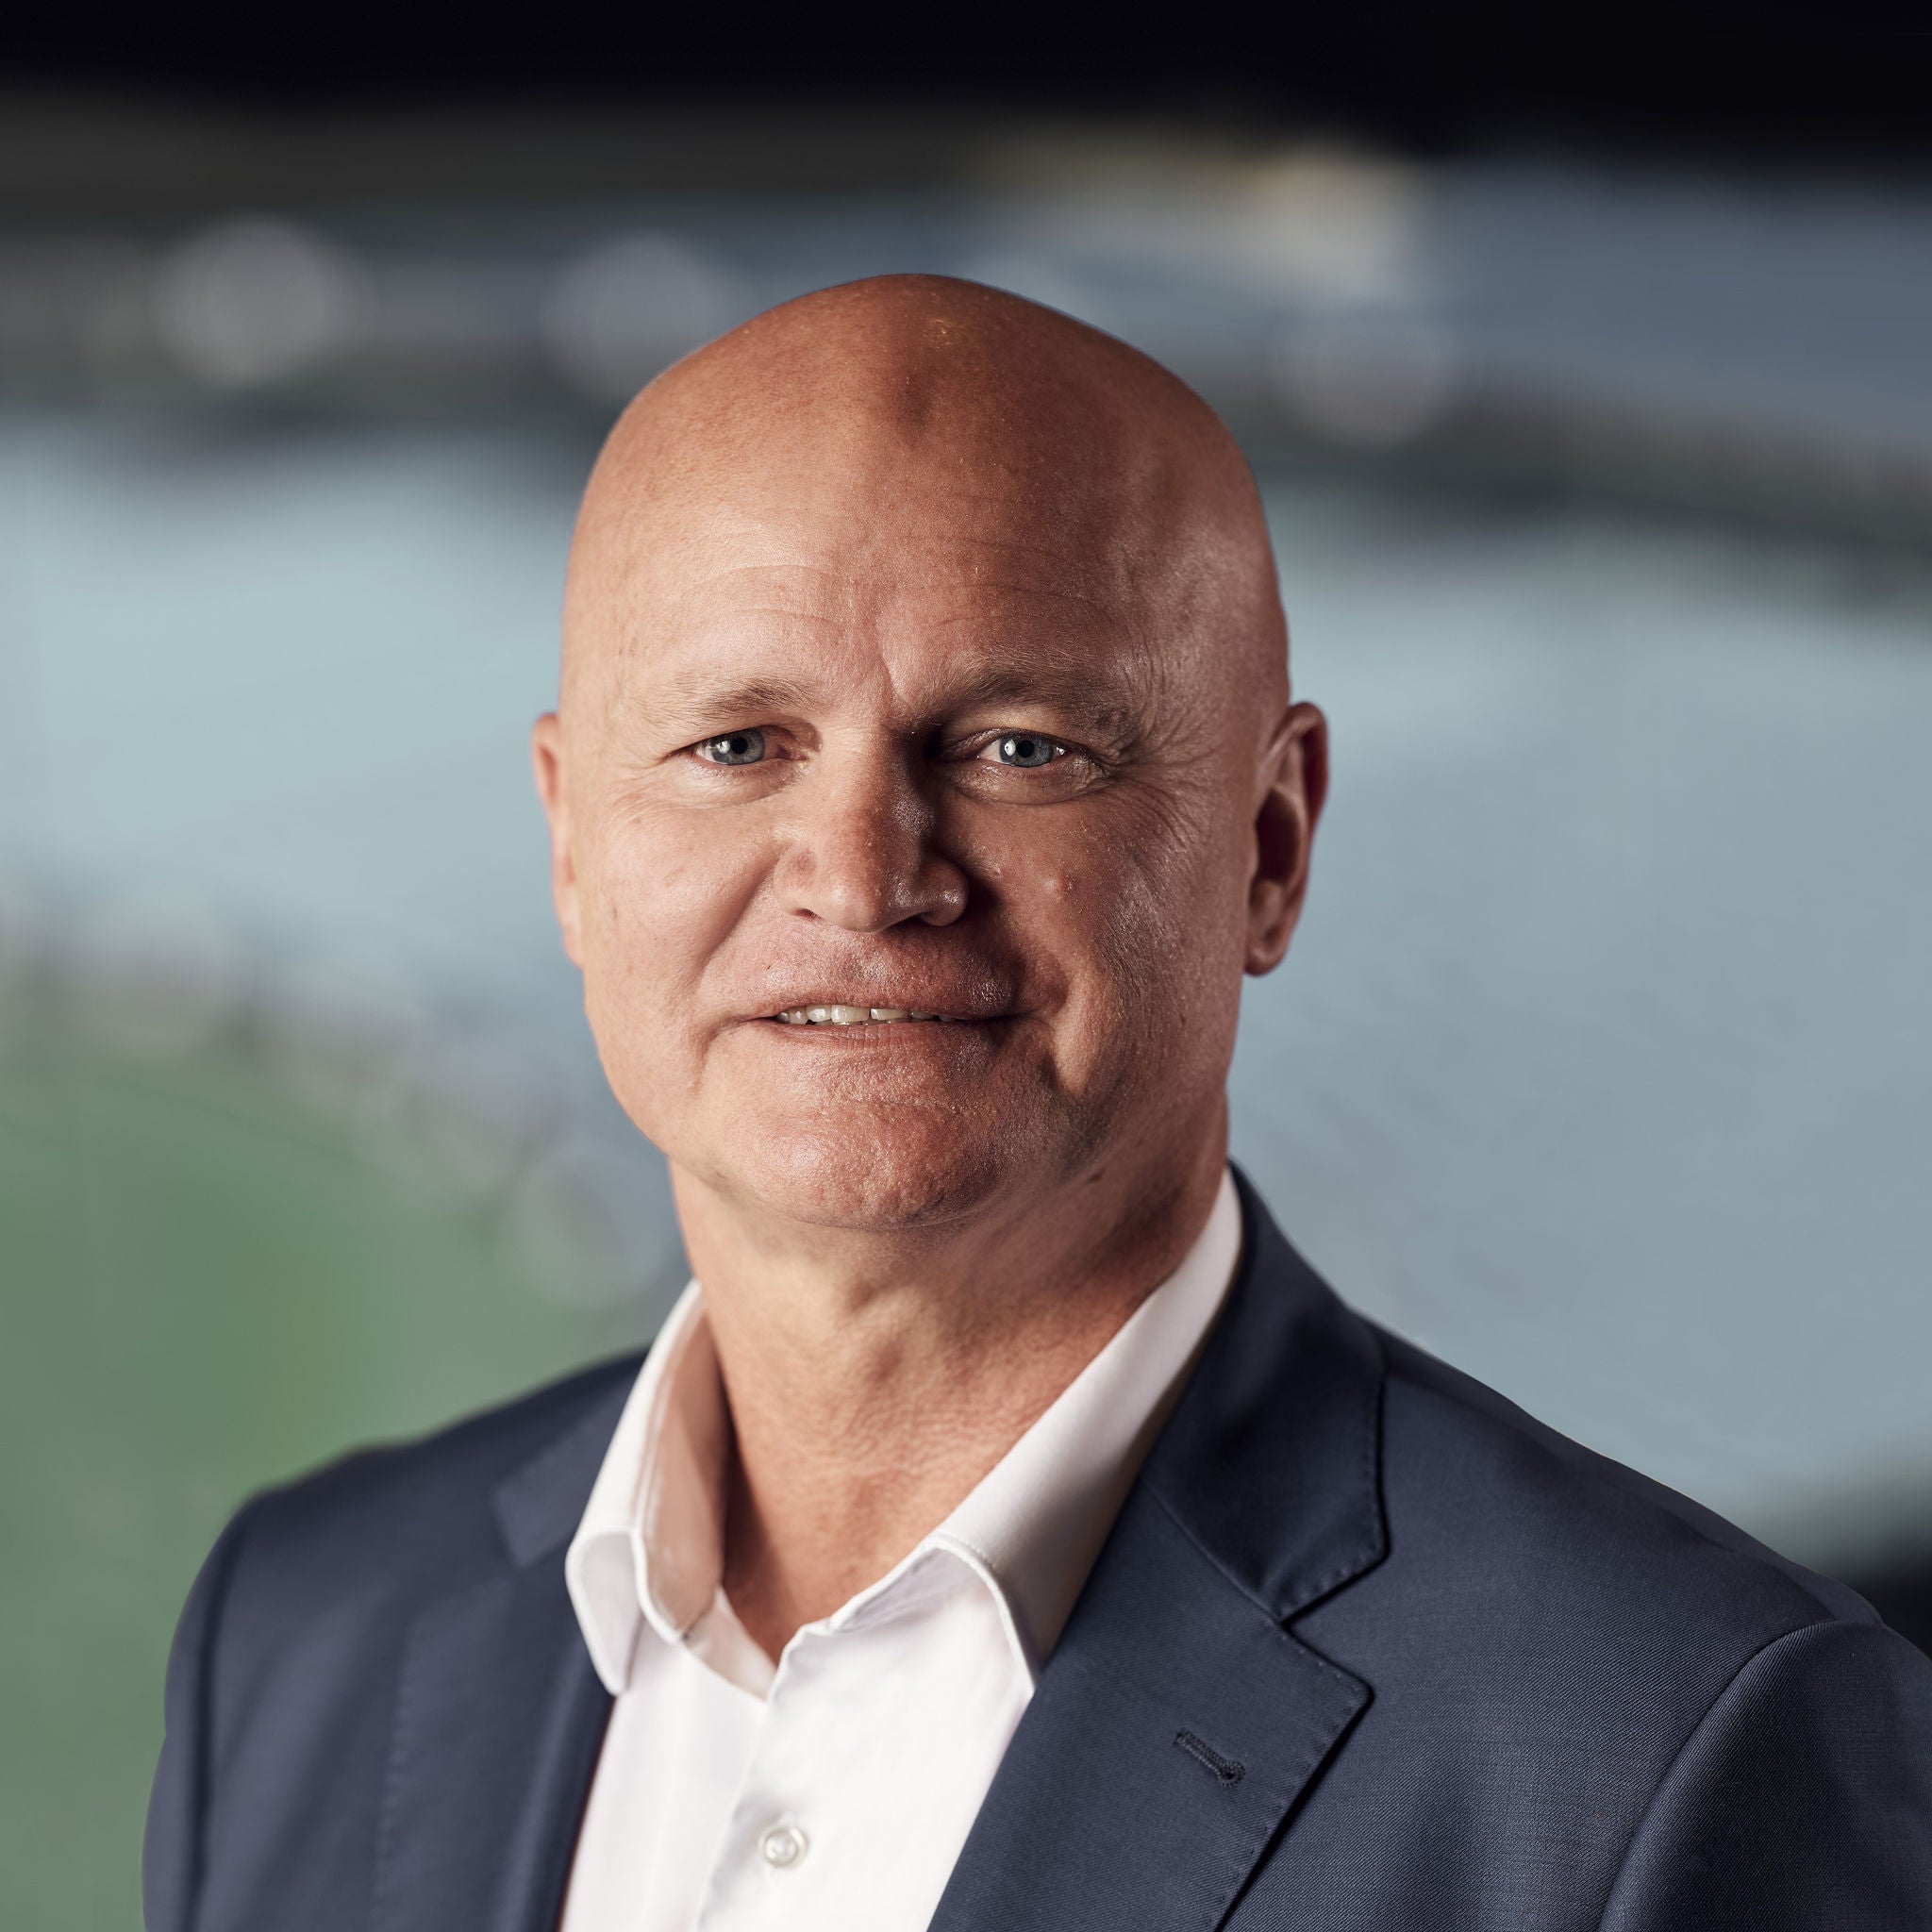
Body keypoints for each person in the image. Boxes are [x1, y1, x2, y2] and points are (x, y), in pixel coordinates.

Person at [143, 276, 1932, 1931]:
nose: (858, 874)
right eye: (736, 745)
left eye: (1017, 749)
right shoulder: (307, 1633)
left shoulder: (1663, 1747)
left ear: (1269, 844)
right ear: (567, 843)